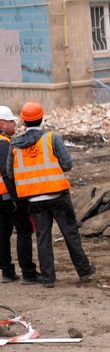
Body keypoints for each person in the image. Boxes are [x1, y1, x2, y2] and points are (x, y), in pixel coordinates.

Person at [6, 101, 94, 288]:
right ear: (42, 117)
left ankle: (48, 278)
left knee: (43, 237)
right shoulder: (51, 138)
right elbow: (67, 164)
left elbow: (10, 173)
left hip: (33, 199)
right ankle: (84, 270)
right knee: (70, 233)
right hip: (57, 195)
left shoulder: (15, 144)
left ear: (23, 121)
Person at [0, 106, 41, 285]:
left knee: (3, 232)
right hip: (7, 195)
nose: (14, 124)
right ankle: (29, 272)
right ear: (2, 124)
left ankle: (7, 272)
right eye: (11, 122)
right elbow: (7, 172)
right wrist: (16, 196)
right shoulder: (4, 144)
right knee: (24, 229)